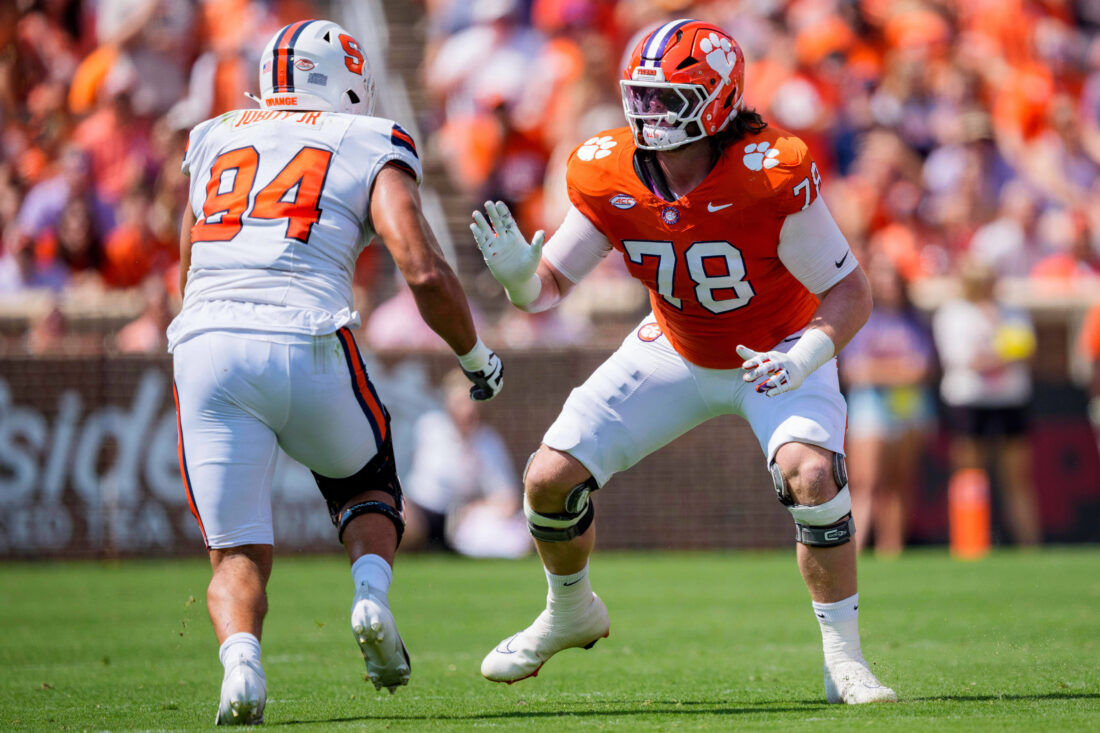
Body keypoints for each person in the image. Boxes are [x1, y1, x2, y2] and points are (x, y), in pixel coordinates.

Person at [470, 19, 895, 704]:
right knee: (548, 479)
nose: (649, 113)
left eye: (667, 98)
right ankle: (570, 609)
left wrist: (805, 356)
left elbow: (850, 290)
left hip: (777, 352)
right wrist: (521, 278)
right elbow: (547, 289)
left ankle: (844, 660)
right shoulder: (606, 167)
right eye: (640, 96)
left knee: (813, 476)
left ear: (718, 100)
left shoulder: (770, 170)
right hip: (676, 345)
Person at [169, 20, 504, 725]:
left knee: (234, 549)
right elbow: (420, 266)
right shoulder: (368, 137)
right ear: (346, 79)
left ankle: (241, 666)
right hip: (307, 333)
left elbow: (187, 264)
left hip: (206, 342)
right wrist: (476, 357)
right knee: (368, 483)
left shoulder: (213, 135)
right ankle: (370, 597)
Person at [931, 258, 1041, 547]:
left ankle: (1030, 544)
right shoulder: (953, 314)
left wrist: (997, 338)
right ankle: (970, 543)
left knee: (1017, 477)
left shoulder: (1012, 311)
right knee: (969, 476)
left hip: (1010, 399)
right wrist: (1005, 354)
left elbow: (1028, 351)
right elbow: (962, 359)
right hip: (969, 400)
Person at [840, 254, 937, 556]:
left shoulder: (915, 321)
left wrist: (880, 370)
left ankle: (891, 550)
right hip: (869, 404)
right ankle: (852, 551)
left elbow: (922, 368)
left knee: (899, 481)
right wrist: (899, 370)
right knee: (865, 481)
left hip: (909, 406)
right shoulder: (861, 317)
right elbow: (854, 370)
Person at [403, 369, 530, 558]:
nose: (467, 410)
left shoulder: (489, 442)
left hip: (463, 523)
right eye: (461, 403)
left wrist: (474, 509)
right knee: (401, 521)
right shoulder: (429, 429)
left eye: (473, 404)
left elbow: (507, 500)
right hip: (423, 513)